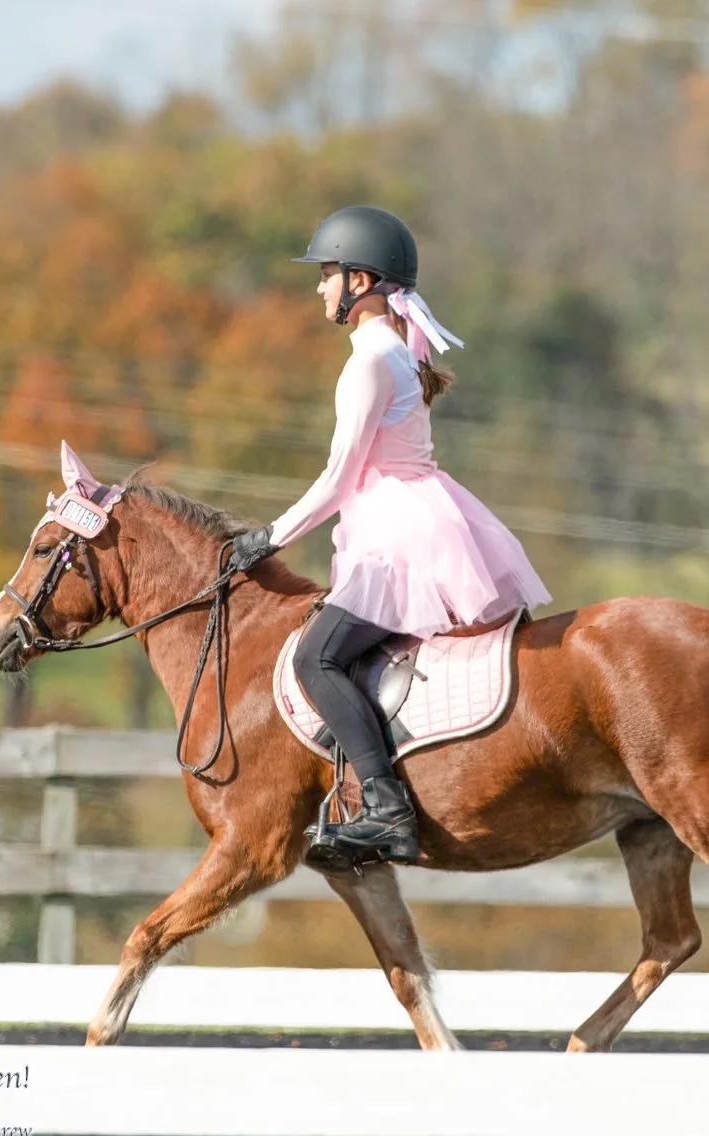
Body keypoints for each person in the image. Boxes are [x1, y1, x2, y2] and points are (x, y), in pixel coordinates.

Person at [226, 205, 550, 865]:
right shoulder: (399, 347)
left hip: (398, 531)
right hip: (418, 513)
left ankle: (386, 807)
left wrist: (269, 537)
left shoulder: (369, 362)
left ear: (361, 279)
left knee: (315, 660)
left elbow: (340, 477)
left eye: (327, 274)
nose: (319, 288)